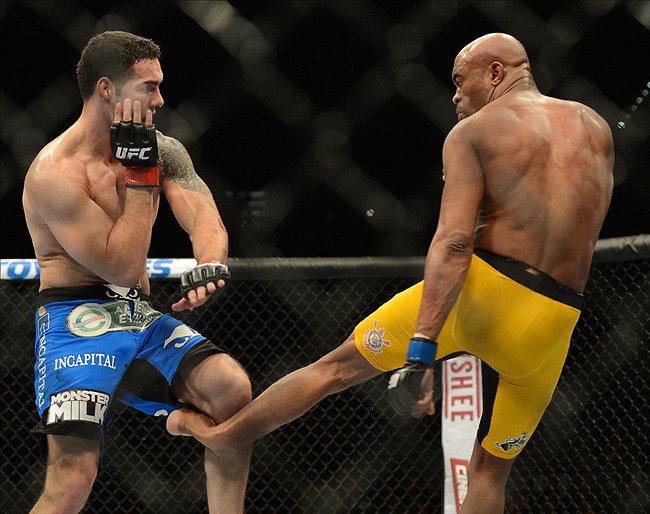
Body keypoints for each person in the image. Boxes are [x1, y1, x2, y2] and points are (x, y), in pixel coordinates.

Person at [166, 33, 614, 512]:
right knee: (490, 469)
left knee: (334, 369)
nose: (455, 96)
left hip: (485, 290)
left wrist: (422, 351)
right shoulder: (596, 127)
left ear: (496, 73)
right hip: (556, 320)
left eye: (460, 81)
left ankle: (223, 436)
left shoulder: (475, 132)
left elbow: (454, 242)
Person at [23, 31, 252, 514]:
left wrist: (210, 263)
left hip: (138, 315)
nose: (161, 99)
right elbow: (123, 267)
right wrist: (141, 176)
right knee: (72, 480)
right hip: (75, 322)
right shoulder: (54, 174)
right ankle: (179, 421)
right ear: (107, 90)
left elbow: (205, 217)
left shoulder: (161, 148)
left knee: (231, 390)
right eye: (149, 87)